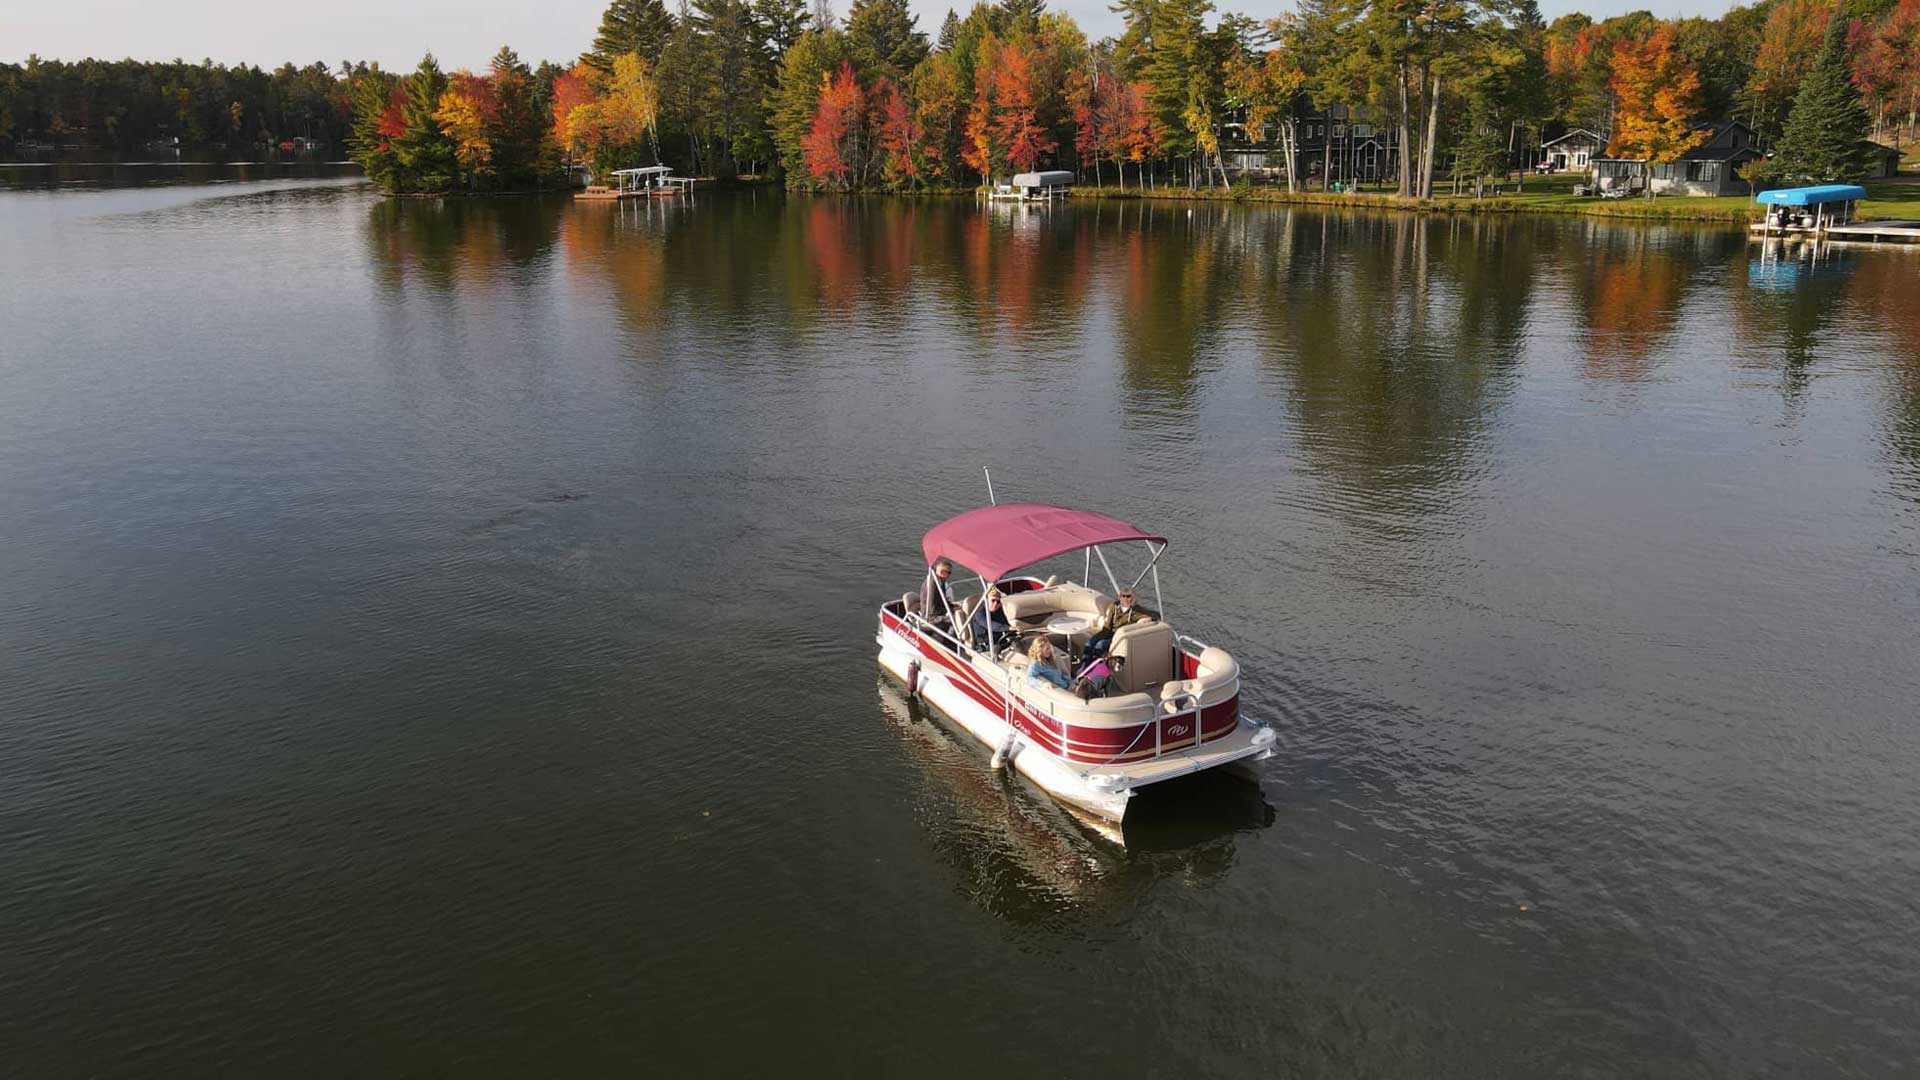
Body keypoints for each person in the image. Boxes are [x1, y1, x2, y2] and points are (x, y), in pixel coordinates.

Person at [1082, 588, 1156, 661]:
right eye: (1123, 596)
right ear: (1120, 597)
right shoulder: (1114, 606)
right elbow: (1107, 625)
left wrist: (1145, 620)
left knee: (1100, 645)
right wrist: (1101, 636)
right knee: (1089, 643)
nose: (1125, 599)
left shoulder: (1136, 611)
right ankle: (1084, 666)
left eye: (1128, 596)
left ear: (1132, 598)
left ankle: (1093, 666)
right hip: (1108, 632)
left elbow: (1155, 615)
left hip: (1118, 636)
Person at [967, 589, 1012, 653]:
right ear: (986, 600)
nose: (995, 603)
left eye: (998, 602)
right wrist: (1008, 628)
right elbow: (989, 624)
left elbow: (1006, 621)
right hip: (985, 643)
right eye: (993, 600)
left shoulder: (999, 611)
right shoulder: (979, 612)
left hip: (1000, 640)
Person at [920, 558, 957, 629]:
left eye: (949, 572)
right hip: (931, 617)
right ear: (936, 571)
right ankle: (949, 638)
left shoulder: (940, 582)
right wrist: (949, 610)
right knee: (956, 620)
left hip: (937, 612)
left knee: (959, 614)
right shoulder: (933, 584)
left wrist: (952, 607)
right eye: (943, 572)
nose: (947, 575)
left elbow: (941, 601)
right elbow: (932, 609)